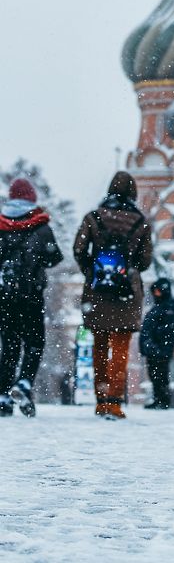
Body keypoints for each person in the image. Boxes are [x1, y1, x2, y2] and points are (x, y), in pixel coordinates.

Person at [74, 171, 152, 419]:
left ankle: (100, 400)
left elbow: (78, 248)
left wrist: (92, 270)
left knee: (99, 345)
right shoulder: (140, 221)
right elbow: (145, 260)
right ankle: (115, 402)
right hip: (126, 293)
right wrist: (128, 269)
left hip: (97, 290)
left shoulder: (94, 217)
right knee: (120, 348)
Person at [0, 178, 63, 418]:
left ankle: (3, 396)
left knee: (9, 346)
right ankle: (24, 383)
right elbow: (54, 258)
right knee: (35, 344)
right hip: (31, 296)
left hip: (5, 297)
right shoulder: (41, 226)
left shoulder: (1, 225)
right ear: (31, 199)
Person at [139, 277, 174, 409]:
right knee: (155, 374)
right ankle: (159, 399)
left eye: (157, 291)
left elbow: (166, 329)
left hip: (160, 348)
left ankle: (163, 400)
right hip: (155, 348)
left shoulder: (168, 306)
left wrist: (155, 342)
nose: (155, 294)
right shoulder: (160, 306)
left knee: (160, 375)